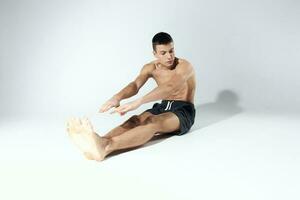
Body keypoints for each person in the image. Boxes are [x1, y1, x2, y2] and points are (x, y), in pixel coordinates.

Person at [66, 32, 196, 161]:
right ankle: (98, 142)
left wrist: (139, 102)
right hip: (163, 106)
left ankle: (106, 146)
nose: (169, 56)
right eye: (163, 53)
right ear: (155, 54)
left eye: (171, 50)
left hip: (183, 110)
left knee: (152, 121)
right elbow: (135, 85)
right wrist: (117, 97)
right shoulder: (150, 68)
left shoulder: (184, 66)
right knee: (135, 120)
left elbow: (170, 87)